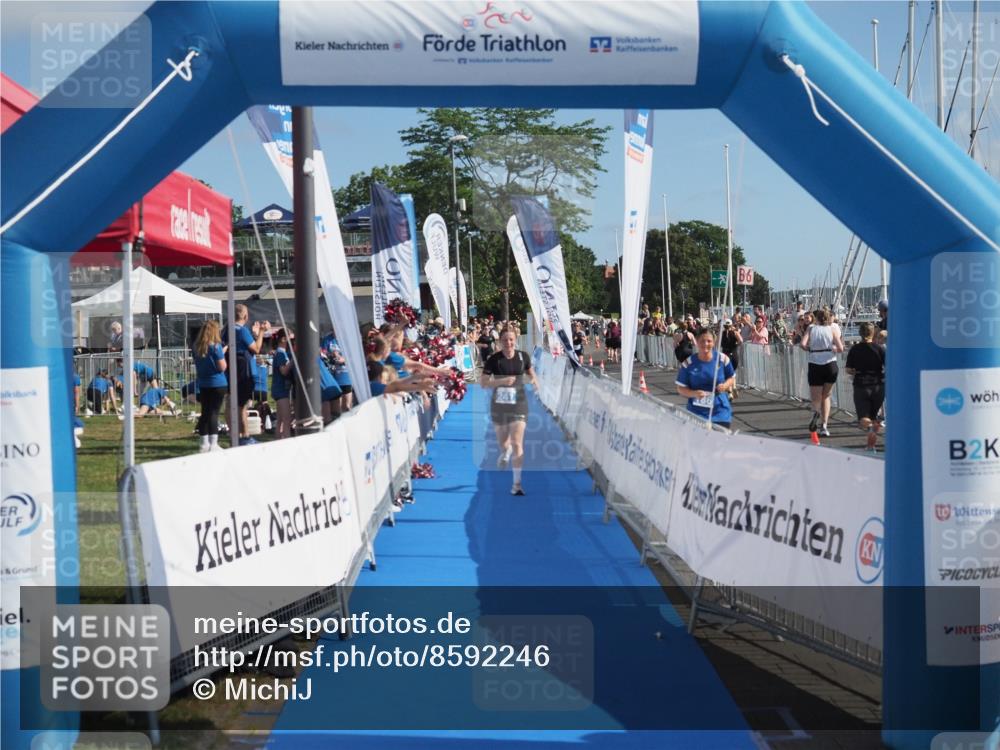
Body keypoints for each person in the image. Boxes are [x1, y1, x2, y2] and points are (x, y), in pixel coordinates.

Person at [480, 327, 538, 496]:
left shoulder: (523, 356)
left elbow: (531, 372)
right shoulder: (493, 359)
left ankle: (517, 484)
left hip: (519, 404)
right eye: (505, 340)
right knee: (504, 443)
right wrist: (501, 381)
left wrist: (534, 381)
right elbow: (483, 383)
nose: (508, 343)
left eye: (511, 339)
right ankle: (505, 451)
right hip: (499, 405)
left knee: (517, 442)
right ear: (500, 342)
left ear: (515, 340)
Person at [224, 303, 270, 445]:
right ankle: (245, 435)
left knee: (230, 401)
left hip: (230, 367)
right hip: (243, 370)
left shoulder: (226, 330)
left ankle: (234, 433)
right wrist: (262, 332)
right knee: (242, 405)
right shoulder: (242, 331)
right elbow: (256, 348)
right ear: (245, 316)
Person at [675, 328, 736, 429]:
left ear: (714, 342)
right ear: (697, 342)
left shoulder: (722, 359)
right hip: (697, 413)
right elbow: (680, 388)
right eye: (702, 341)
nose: (705, 344)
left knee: (719, 443)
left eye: (709, 341)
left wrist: (725, 385)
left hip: (720, 412)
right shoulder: (688, 363)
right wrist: (694, 393)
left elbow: (731, 377)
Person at [800, 308, 845, 437]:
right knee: (826, 396)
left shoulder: (811, 329)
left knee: (816, 398)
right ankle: (824, 425)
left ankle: (815, 412)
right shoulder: (831, 329)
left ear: (817, 318)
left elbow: (802, 344)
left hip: (815, 363)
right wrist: (832, 348)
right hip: (830, 364)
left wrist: (810, 348)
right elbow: (841, 348)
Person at [845, 322, 886, 452]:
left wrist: (855, 371)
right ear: (872, 333)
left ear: (860, 333)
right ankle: (870, 446)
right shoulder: (880, 349)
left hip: (861, 385)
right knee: (874, 418)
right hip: (878, 386)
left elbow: (848, 369)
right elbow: (888, 366)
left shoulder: (854, 349)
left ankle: (870, 430)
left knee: (863, 418)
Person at [192, 320, 228, 452]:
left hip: (203, 383)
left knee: (205, 413)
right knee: (214, 413)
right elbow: (222, 366)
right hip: (217, 383)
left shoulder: (196, 347)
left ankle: (204, 443)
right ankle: (214, 444)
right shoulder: (216, 346)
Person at [321, 330, 354, 413]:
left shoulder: (348, 340)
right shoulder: (327, 340)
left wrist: (344, 359)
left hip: (345, 376)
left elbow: (354, 357)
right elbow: (322, 355)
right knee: (336, 408)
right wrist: (331, 355)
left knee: (347, 406)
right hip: (333, 377)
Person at [270, 328, 293, 440]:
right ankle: (287, 440)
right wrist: (293, 360)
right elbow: (283, 371)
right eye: (290, 338)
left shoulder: (282, 353)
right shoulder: (280, 353)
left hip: (280, 390)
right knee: (286, 419)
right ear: (284, 339)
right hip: (281, 390)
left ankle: (278, 440)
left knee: (280, 420)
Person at [719, 319, 743, 399]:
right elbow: (741, 340)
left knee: (727, 374)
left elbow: (716, 344)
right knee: (732, 372)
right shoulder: (735, 333)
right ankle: (734, 386)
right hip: (734, 354)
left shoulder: (721, 334)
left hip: (726, 355)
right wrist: (736, 344)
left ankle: (730, 392)